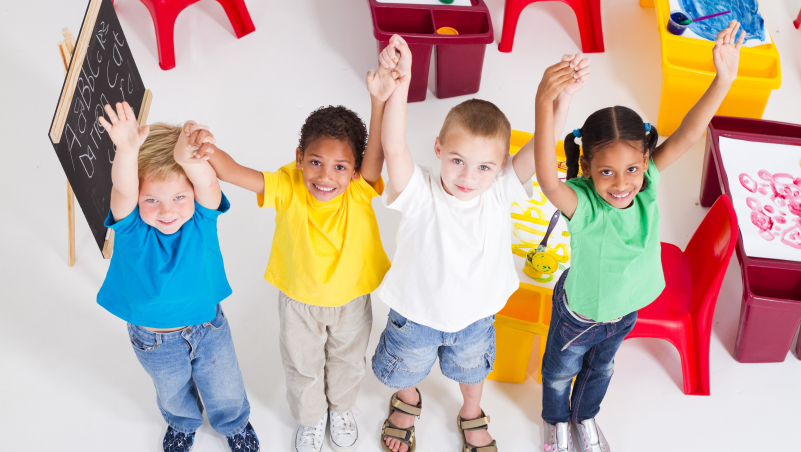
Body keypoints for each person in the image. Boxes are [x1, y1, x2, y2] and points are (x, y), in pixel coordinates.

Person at [370, 35, 590, 452]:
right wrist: (401, 83)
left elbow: (542, 147)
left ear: (501, 166)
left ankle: (471, 411)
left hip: (475, 318)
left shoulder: (500, 189)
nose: (468, 176)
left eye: (484, 166)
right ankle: (408, 399)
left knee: (472, 371)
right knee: (408, 370)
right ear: (438, 149)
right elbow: (393, 146)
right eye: (457, 161)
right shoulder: (419, 192)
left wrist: (563, 100)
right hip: (416, 315)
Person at [532, 21, 744, 452]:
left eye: (631, 168)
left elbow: (687, 132)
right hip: (579, 317)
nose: (622, 182)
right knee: (558, 373)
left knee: (602, 371)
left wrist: (724, 80)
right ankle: (555, 421)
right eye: (606, 171)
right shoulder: (582, 203)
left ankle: (584, 417)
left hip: (625, 312)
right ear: (588, 168)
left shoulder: (646, 183)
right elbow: (546, 178)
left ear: (645, 161)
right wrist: (545, 99)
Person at [203, 61, 400, 452]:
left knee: (348, 361)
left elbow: (376, 155)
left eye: (340, 167)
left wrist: (378, 101)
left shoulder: (361, 189)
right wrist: (210, 151)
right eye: (316, 162)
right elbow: (236, 173)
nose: (326, 177)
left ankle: (340, 408)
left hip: (350, 299)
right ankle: (311, 419)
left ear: (355, 171)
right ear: (299, 157)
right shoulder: (287, 185)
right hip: (298, 302)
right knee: (302, 366)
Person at [97, 102, 259, 452]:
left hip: (209, 329)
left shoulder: (202, 217)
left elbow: (208, 183)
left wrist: (189, 160)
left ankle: (234, 423)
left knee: (225, 385)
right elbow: (124, 190)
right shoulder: (131, 227)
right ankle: (182, 424)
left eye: (179, 196)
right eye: (152, 198)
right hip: (153, 340)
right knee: (171, 391)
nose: (167, 210)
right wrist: (126, 152)